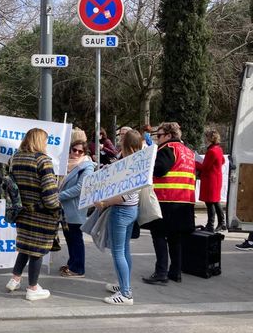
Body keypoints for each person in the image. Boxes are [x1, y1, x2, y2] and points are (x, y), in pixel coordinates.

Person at [5, 128, 61, 301]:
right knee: (37, 250)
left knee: (25, 246)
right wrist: (56, 207)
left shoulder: (14, 158)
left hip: (21, 211)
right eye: (45, 141)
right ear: (39, 141)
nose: (46, 144)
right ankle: (33, 288)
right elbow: (50, 193)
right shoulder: (43, 161)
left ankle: (15, 279)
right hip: (40, 212)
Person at [142, 122, 196, 285]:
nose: (157, 139)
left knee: (158, 235)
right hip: (184, 201)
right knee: (175, 237)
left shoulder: (168, 149)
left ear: (169, 135)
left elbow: (160, 169)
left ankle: (161, 273)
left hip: (166, 200)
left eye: (159, 135)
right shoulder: (188, 152)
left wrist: (148, 163)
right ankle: (175, 272)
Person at [95, 130, 142, 305]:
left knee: (118, 252)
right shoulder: (138, 161)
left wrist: (104, 203)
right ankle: (124, 285)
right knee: (124, 250)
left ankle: (126, 293)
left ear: (126, 144)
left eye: (121, 140)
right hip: (131, 210)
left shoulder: (130, 163)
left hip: (121, 211)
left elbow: (124, 196)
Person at [58, 130, 95, 278]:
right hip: (63, 208)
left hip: (75, 207)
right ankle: (72, 263)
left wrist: (58, 196)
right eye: (75, 150)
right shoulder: (63, 163)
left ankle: (78, 268)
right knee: (69, 237)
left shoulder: (87, 166)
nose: (77, 153)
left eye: (81, 151)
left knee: (75, 237)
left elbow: (80, 188)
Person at [196, 129, 226, 232]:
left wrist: (194, 161)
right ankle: (222, 222)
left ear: (210, 139)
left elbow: (204, 167)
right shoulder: (218, 149)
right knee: (215, 201)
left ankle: (210, 225)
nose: (205, 140)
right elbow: (222, 161)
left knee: (210, 203)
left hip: (210, 179)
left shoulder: (211, 151)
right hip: (216, 178)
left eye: (206, 137)